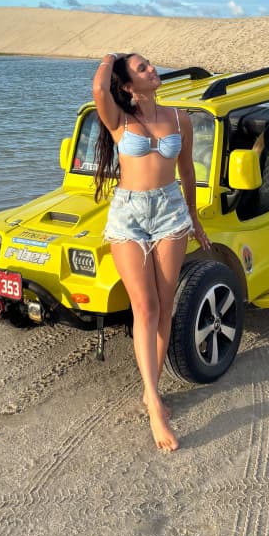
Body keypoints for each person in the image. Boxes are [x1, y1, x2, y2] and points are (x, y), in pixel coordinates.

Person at [92, 52, 210, 452]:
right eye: (141, 69)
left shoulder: (180, 118)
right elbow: (97, 87)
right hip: (129, 215)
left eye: (149, 65)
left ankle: (150, 392)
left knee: (163, 304)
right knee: (143, 308)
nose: (151, 70)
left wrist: (195, 218)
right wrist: (111, 58)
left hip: (171, 212)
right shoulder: (118, 120)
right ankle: (156, 406)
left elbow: (188, 172)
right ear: (128, 86)